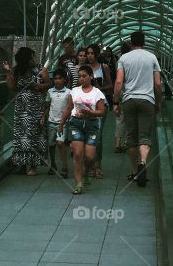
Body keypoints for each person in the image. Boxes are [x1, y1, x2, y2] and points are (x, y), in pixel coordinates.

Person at [112, 30, 161, 187]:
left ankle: (135, 172)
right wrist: (158, 102)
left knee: (131, 137)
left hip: (129, 100)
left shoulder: (124, 58)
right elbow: (157, 84)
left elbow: (119, 82)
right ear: (144, 42)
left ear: (131, 42)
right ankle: (143, 161)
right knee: (145, 136)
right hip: (147, 100)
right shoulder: (152, 57)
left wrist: (115, 102)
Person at [59, 64, 106, 194]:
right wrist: (61, 123)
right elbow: (69, 108)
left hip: (92, 125)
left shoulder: (97, 93)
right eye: (79, 76)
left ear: (91, 76)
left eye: (84, 76)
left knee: (89, 156)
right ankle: (78, 184)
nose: (81, 79)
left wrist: (91, 112)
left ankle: (86, 172)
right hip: (76, 124)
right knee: (78, 154)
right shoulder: (74, 91)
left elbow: (101, 111)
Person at [2, 47, 49, 176]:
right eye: (32, 56)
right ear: (26, 59)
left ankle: (33, 166)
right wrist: (8, 72)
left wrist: (40, 86)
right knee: (22, 136)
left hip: (37, 107)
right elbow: (11, 86)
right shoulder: (17, 71)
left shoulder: (41, 69)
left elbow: (49, 83)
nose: (34, 59)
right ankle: (22, 164)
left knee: (36, 135)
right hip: (22, 108)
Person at [86, 44, 112, 178]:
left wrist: (99, 87)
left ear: (96, 54)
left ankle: (98, 164)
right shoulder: (84, 68)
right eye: (88, 53)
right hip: (87, 105)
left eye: (92, 53)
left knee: (98, 136)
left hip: (101, 104)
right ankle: (91, 164)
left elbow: (110, 86)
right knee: (89, 135)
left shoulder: (104, 67)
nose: (89, 56)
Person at [43, 68, 71, 177]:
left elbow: (69, 108)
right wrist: (43, 117)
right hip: (51, 121)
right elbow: (48, 106)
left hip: (63, 123)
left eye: (60, 78)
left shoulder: (69, 92)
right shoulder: (50, 91)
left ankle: (64, 167)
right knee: (51, 145)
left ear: (64, 79)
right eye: (55, 78)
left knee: (60, 143)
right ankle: (53, 164)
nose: (57, 80)